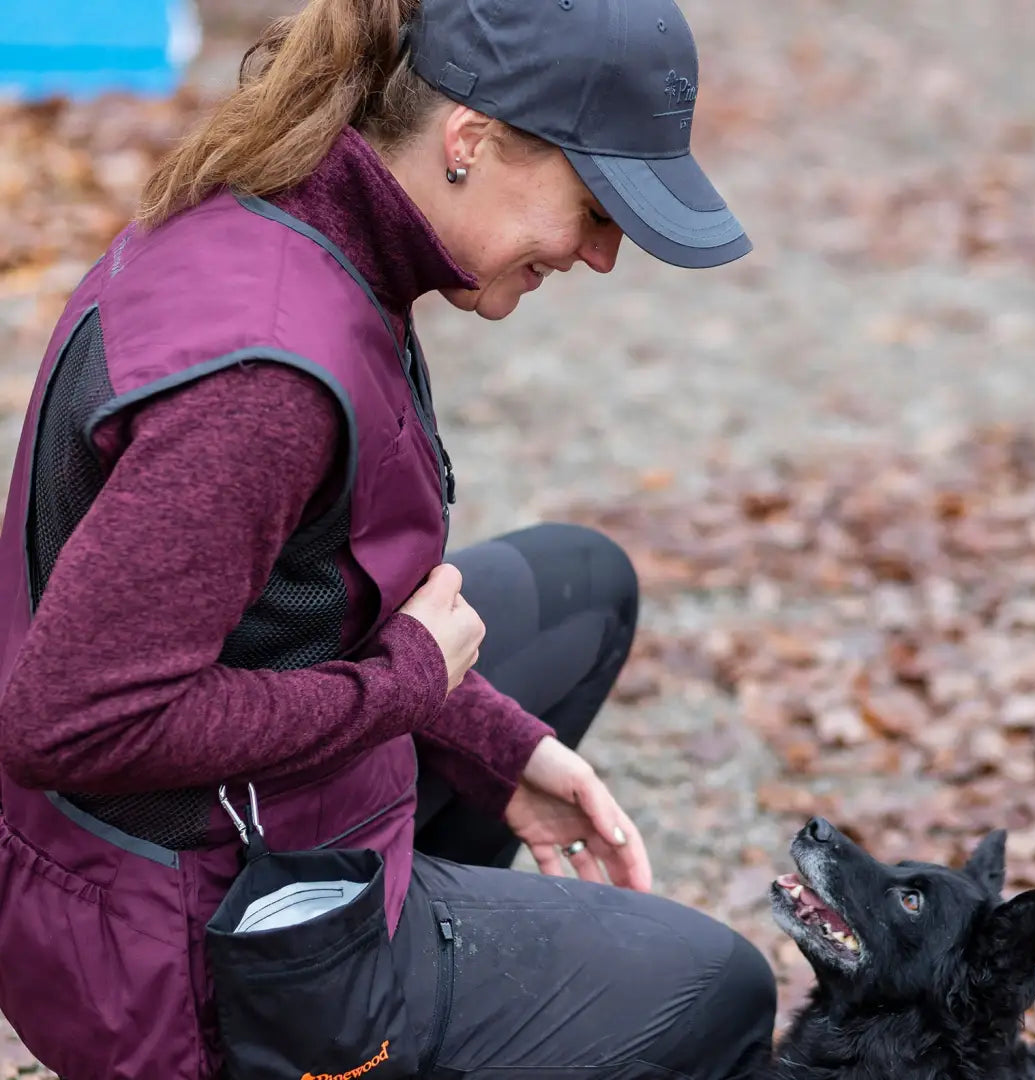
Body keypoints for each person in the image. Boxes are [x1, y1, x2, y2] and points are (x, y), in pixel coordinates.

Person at [0, 0, 775, 1077]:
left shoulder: (297, 210)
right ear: (470, 139)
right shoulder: (262, 379)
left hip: (178, 833)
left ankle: (404, 982)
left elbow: (309, 598)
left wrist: (494, 746)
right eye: (597, 205)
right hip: (171, 948)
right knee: (715, 986)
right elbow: (70, 723)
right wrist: (404, 689)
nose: (603, 256)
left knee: (579, 586)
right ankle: (324, 1033)